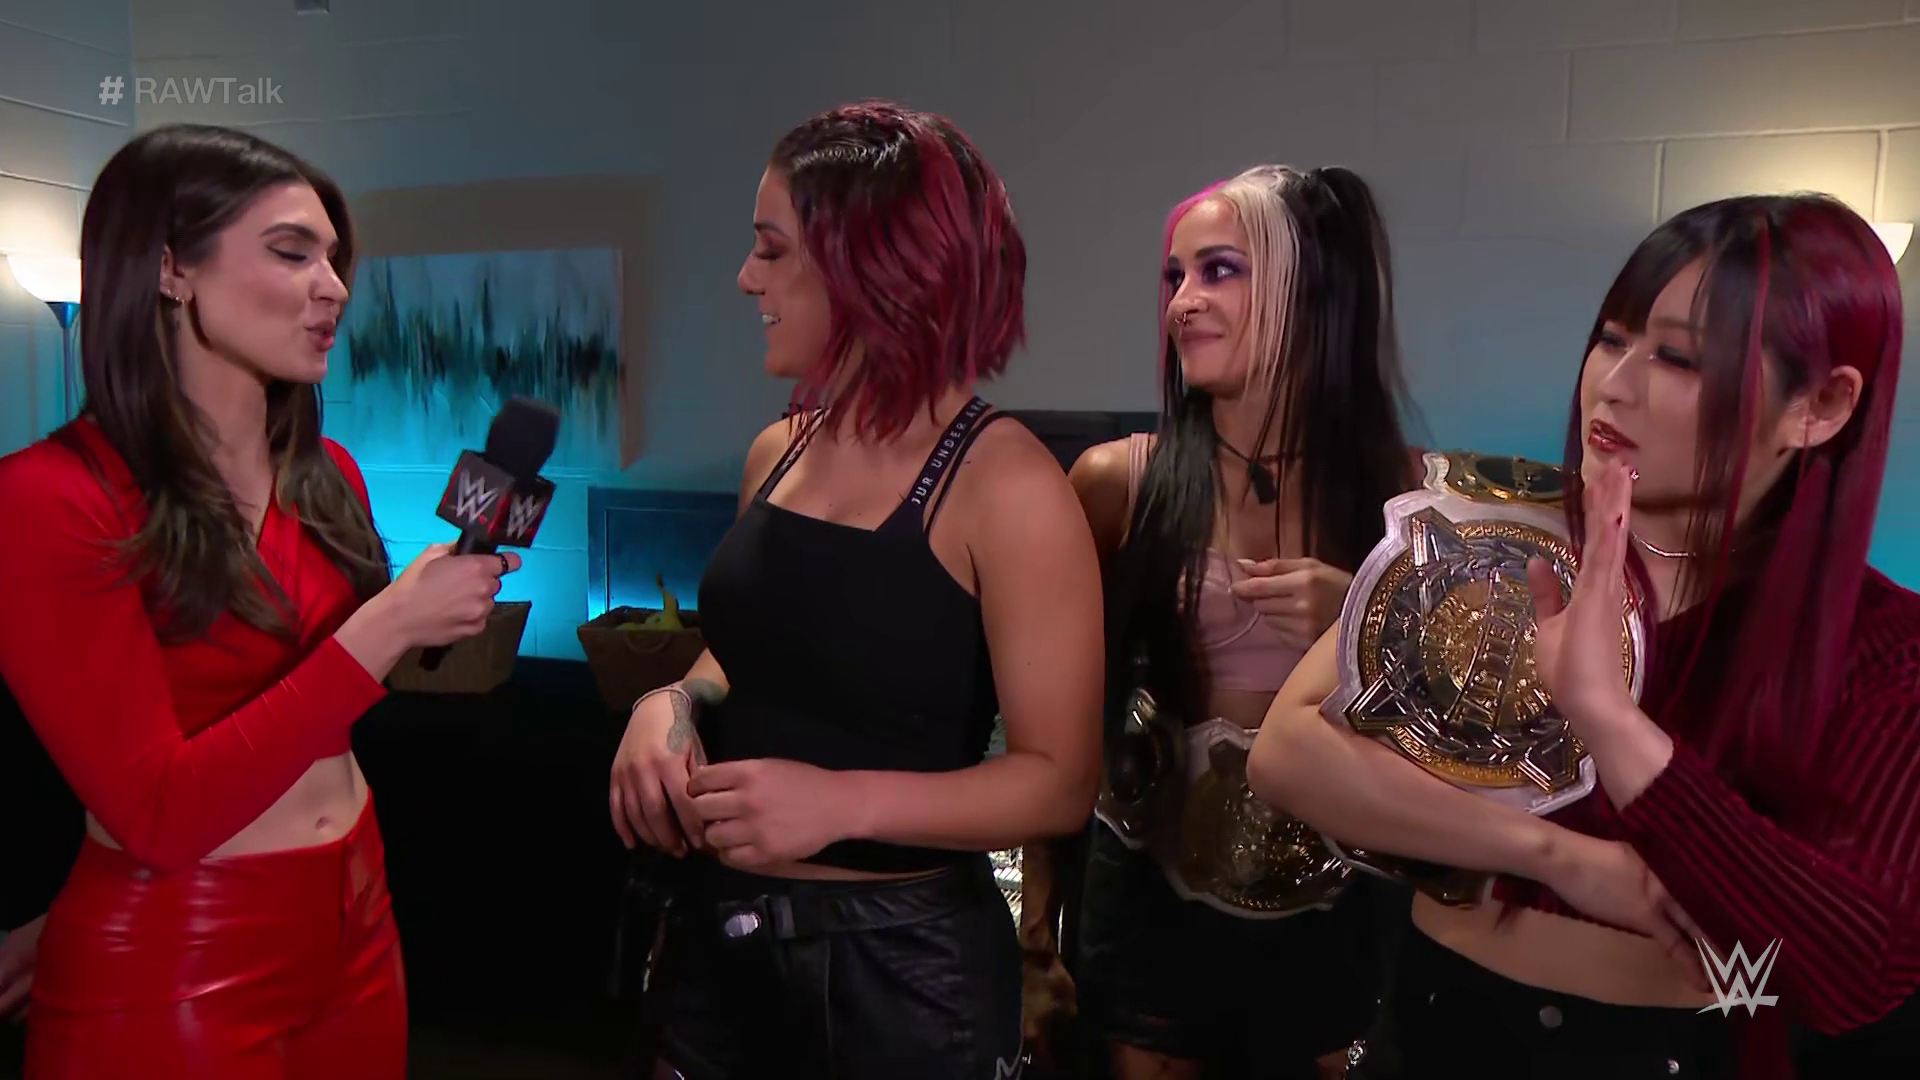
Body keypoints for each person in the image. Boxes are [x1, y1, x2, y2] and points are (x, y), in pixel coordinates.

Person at [1248, 192, 1920, 1079]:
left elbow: (1858, 973)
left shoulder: (1883, 646)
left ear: (1820, 406)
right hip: (1432, 1021)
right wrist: (1558, 856)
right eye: (1611, 338)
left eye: (1678, 357)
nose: (1615, 383)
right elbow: (1288, 753)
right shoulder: (1494, 537)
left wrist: (1611, 723)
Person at [0, 123, 519, 1080]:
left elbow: (321, 709)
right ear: (170, 268)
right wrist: (385, 628)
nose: (335, 287)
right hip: (178, 951)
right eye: (292, 253)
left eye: (334, 258)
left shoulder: (330, 474)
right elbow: (158, 816)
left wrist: (426, 616)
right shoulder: (49, 498)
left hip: (358, 918)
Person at [606, 100, 1105, 1080]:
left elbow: (1059, 782)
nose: (745, 277)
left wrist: (841, 802)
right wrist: (671, 701)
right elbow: (751, 653)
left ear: (869, 265)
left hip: (903, 968)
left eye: (771, 250)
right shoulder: (776, 453)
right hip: (723, 939)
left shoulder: (1007, 485)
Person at [1019, 165, 1422, 1080]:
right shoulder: (1117, 484)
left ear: (1309, 293)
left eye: (1220, 271)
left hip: (1340, 925)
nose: (1183, 303)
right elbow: (1058, 731)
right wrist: (1035, 944)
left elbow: (1464, 755)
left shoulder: (1406, 502)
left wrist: (1369, 626)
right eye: (1176, 276)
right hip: (1147, 921)